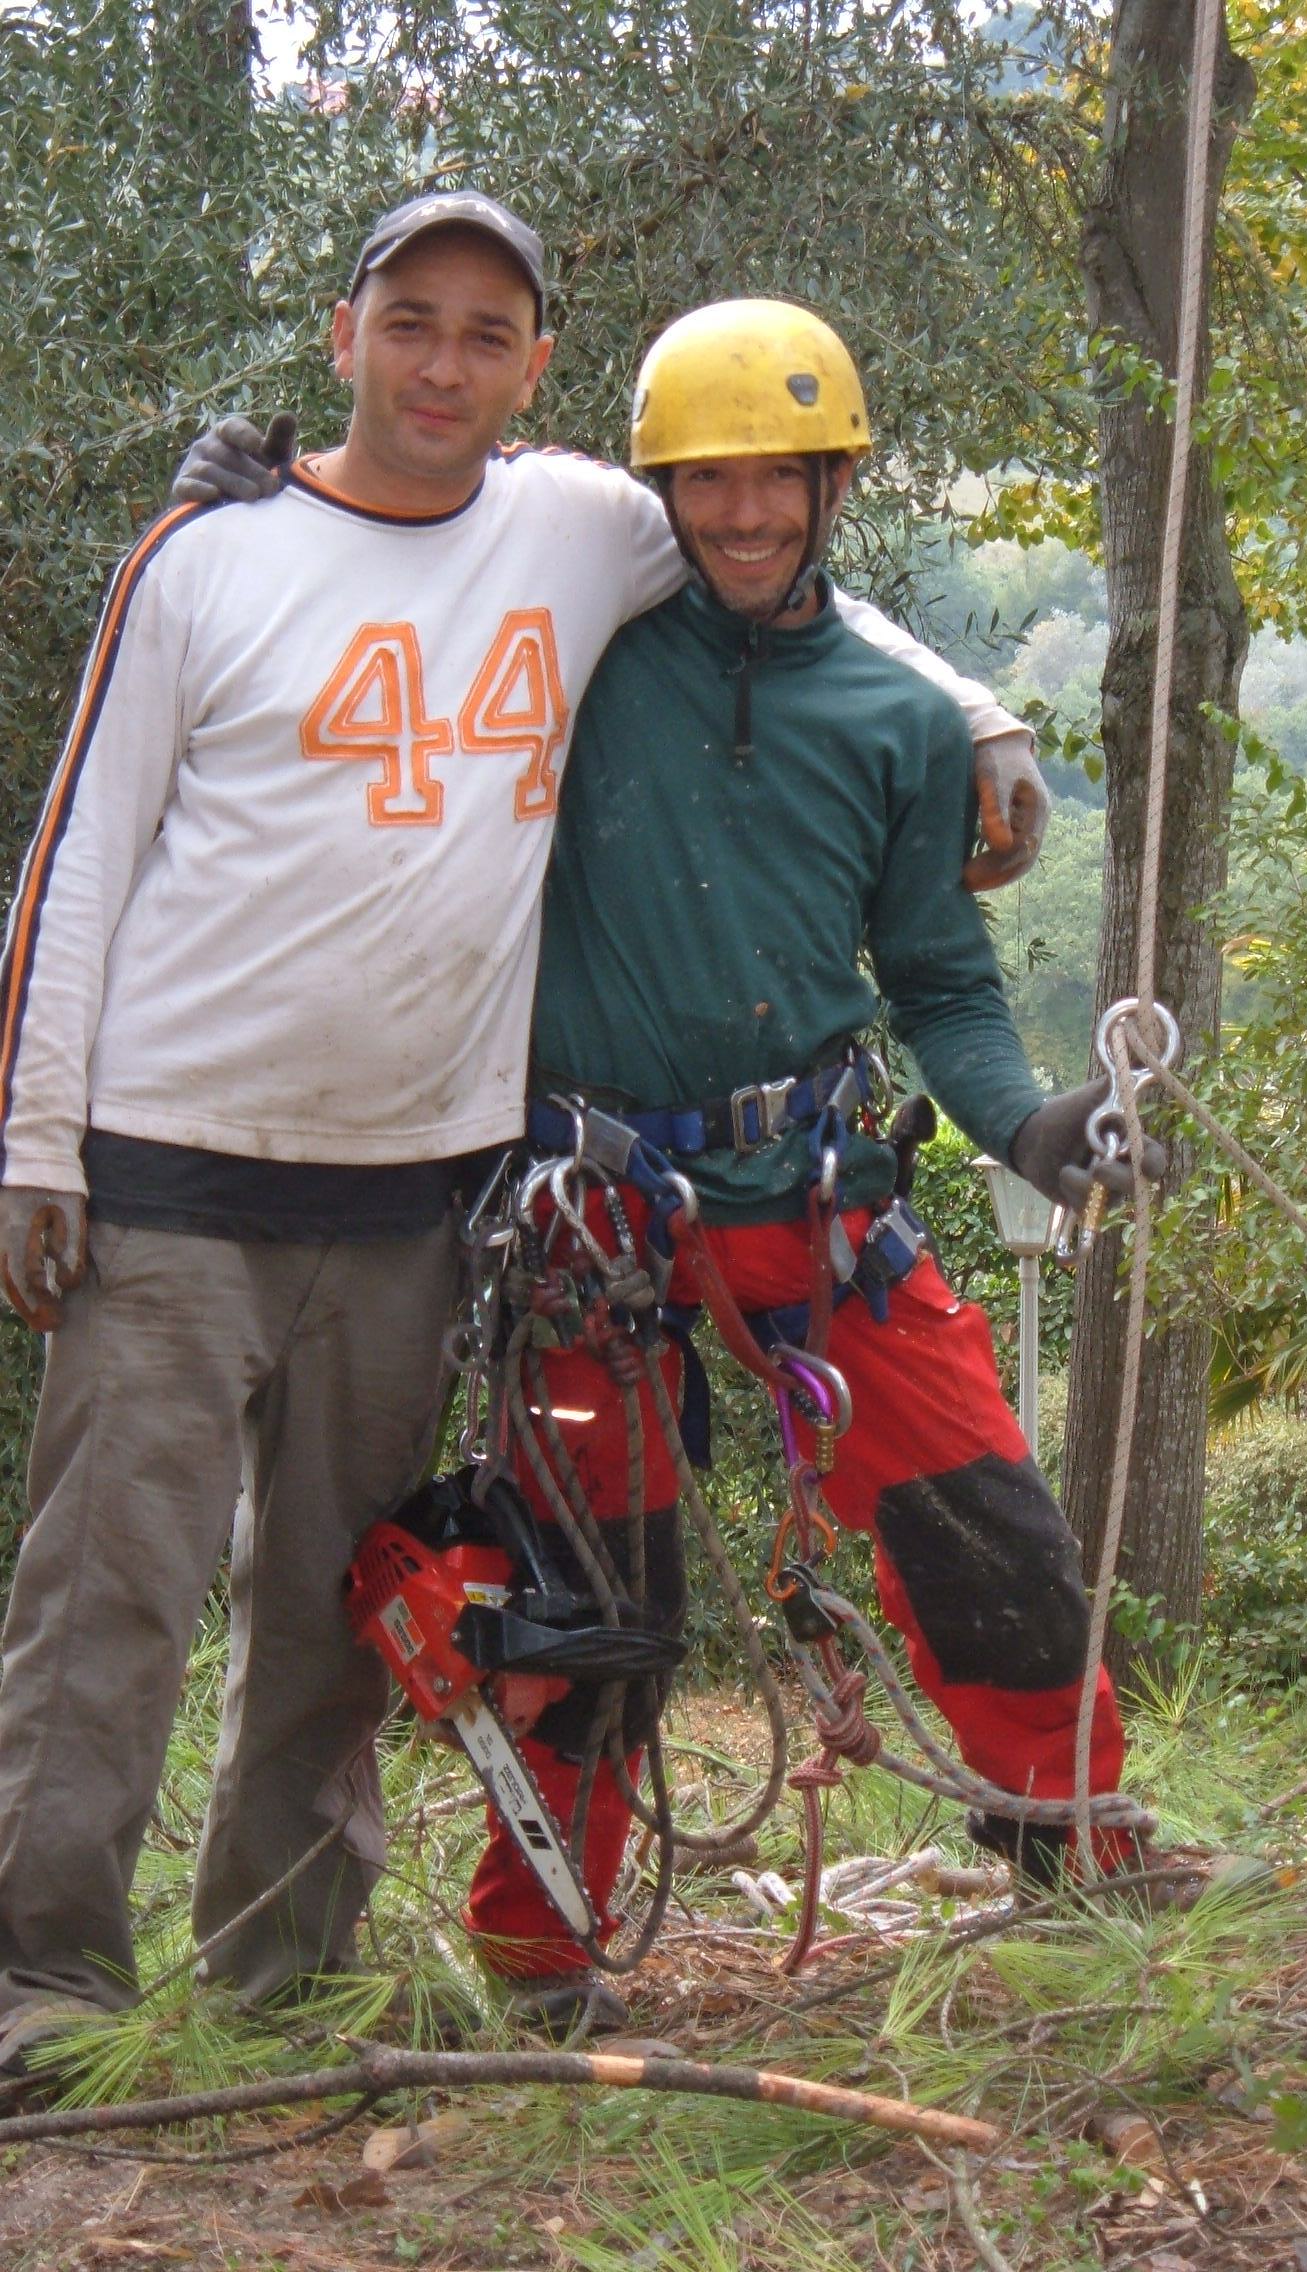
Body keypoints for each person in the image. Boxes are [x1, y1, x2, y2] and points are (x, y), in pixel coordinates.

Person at [0, 195, 1042, 2072]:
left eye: (488, 334)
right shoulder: (205, 557)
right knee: (107, 1604)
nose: (445, 364)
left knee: (340, 1609)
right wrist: (36, 1142)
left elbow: (781, 556)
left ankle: (283, 1981)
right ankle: (43, 1984)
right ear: (345, 334)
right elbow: (79, 856)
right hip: (170, 1166)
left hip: (420, 1193)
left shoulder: (574, 528)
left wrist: (975, 710)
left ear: (535, 369)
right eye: (414, 322)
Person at [446, 300, 1164, 2020]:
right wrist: (258, 501)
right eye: (711, 484)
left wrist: (1029, 1122)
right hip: (592, 1208)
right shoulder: (582, 656)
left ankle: (1072, 1830)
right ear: (665, 493)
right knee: (592, 1594)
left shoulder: (899, 719)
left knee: (980, 1503)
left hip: (812, 1187)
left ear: (835, 484)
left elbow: (936, 980)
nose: (746, 516)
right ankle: (542, 1947)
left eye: (781, 480)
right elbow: (435, 535)